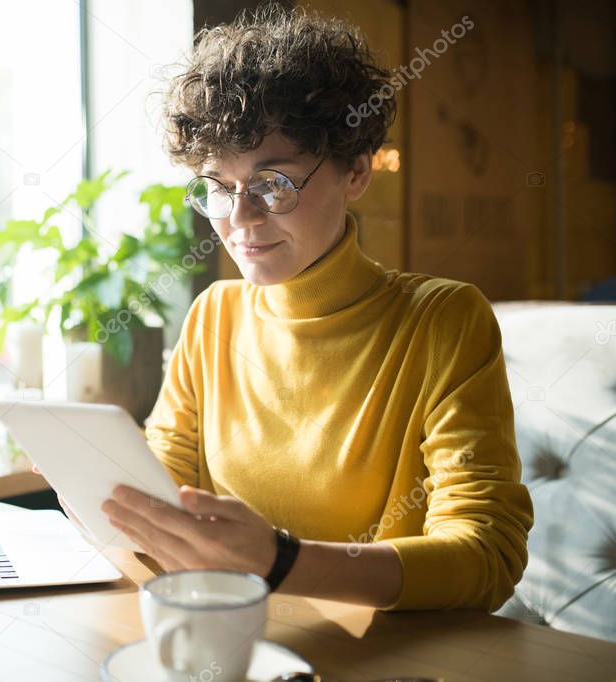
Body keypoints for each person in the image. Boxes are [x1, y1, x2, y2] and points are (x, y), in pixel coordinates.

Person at [94, 5, 533, 611]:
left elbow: (488, 555)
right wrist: (102, 494)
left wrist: (282, 563)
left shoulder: (444, 321)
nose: (240, 219)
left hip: (386, 656)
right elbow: (167, 491)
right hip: (243, 639)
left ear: (356, 171)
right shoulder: (212, 316)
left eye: (273, 183)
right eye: (219, 188)